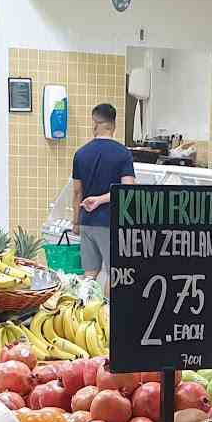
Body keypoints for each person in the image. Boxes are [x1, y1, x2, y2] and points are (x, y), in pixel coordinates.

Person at [71, 102, 134, 285]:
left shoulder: (81, 154)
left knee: (90, 274)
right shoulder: (123, 154)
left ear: (96, 124)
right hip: (111, 223)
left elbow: (77, 192)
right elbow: (127, 190)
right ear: (113, 126)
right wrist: (102, 200)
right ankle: (108, 313)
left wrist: (76, 221)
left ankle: (85, 309)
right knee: (114, 276)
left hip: (87, 222)